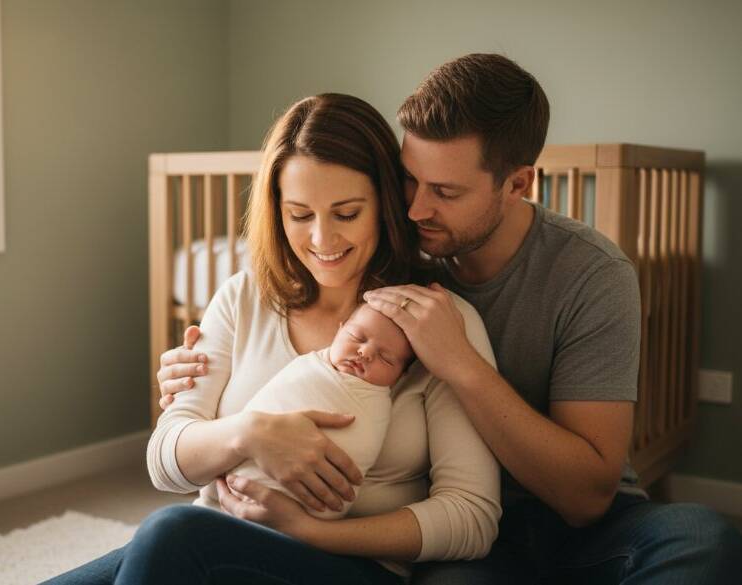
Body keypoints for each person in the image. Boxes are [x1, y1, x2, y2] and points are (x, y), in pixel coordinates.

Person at [162, 54, 742, 584]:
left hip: (544, 520)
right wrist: (208, 403)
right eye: (408, 180)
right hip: (447, 528)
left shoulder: (587, 276)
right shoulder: (387, 256)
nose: (414, 208)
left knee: (704, 538)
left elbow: (585, 497)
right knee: (155, 547)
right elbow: (180, 447)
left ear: (518, 184)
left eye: (443, 190)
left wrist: (459, 362)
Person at [45, 92, 501, 585]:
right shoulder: (244, 298)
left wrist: (308, 531)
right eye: (300, 215)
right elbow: (166, 462)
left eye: (346, 213)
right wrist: (252, 433)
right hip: (216, 537)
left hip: (349, 564)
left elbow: (471, 518)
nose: (323, 241)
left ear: (384, 205)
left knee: (173, 532)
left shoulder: (436, 322)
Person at [222, 302, 413, 520]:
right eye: (357, 337)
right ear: (339, 329)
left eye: (386, 358)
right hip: (236, 494)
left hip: (316, 526)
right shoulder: (309, 367)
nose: (366, 352)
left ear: (402, 375)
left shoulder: (377, 403)